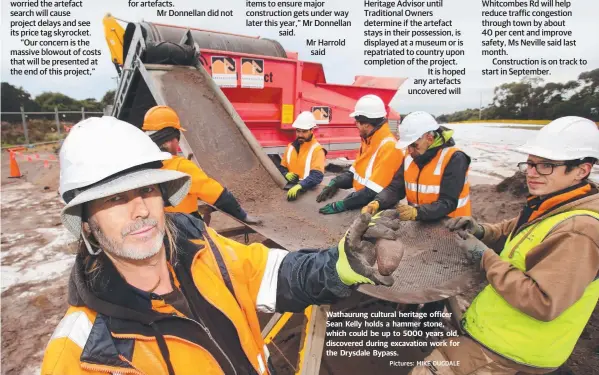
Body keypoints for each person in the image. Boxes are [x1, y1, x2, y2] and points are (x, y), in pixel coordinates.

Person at [41, 116, 397, 375]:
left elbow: (276, 274)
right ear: (86, 221)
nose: (140, 210)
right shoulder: (84, 357)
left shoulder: (201, 246)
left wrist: (341, 264)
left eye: (148, 189)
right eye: (115, 199)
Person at [410, 116, 599, 375]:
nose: (531, 173)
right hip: (498, 328)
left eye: (546, 166)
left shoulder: (580, 230)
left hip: (511, 349)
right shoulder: (554, 203)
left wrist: (484, 257)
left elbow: (542, 302)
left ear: (582, 170)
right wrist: (480, 231)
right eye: (530, 164)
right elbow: (512, 230)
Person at [142, 105, 262, 225]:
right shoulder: (181, 167)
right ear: (170, 139)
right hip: (185, 231)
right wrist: (242, 215)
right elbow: (216, 194)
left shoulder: (141, 166)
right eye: (177, 139)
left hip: (157, 229)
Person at [362, 111, 471, 220]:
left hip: (453, 225)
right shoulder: (410, 156)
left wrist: (417, 213)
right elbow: (395, 188)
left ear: (429, 138)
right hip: (421, 222)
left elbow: (448, 202)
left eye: (414, 145)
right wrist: (377, 202)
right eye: (407, 145)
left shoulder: (454, 158)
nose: (409, 150)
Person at [316, 94, 404, 214]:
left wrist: (343, 204)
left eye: (357, 121)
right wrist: (335, 182)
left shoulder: (389, 147)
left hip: (378, 209)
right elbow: (354, 173)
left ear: (366, 124)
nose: (355, 124)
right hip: (362, 202)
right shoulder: (368, 141)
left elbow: (373, 191)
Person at [277, 111, 327, 201]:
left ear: (312, 130)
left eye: (304, 131)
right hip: (289, 190)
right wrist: (286, 174)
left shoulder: (317, 150)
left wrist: (300, 185)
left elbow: (317, 176)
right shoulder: (290, 147)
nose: (300, 135)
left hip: (308, 193)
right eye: (298, 131)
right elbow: (281, 168)